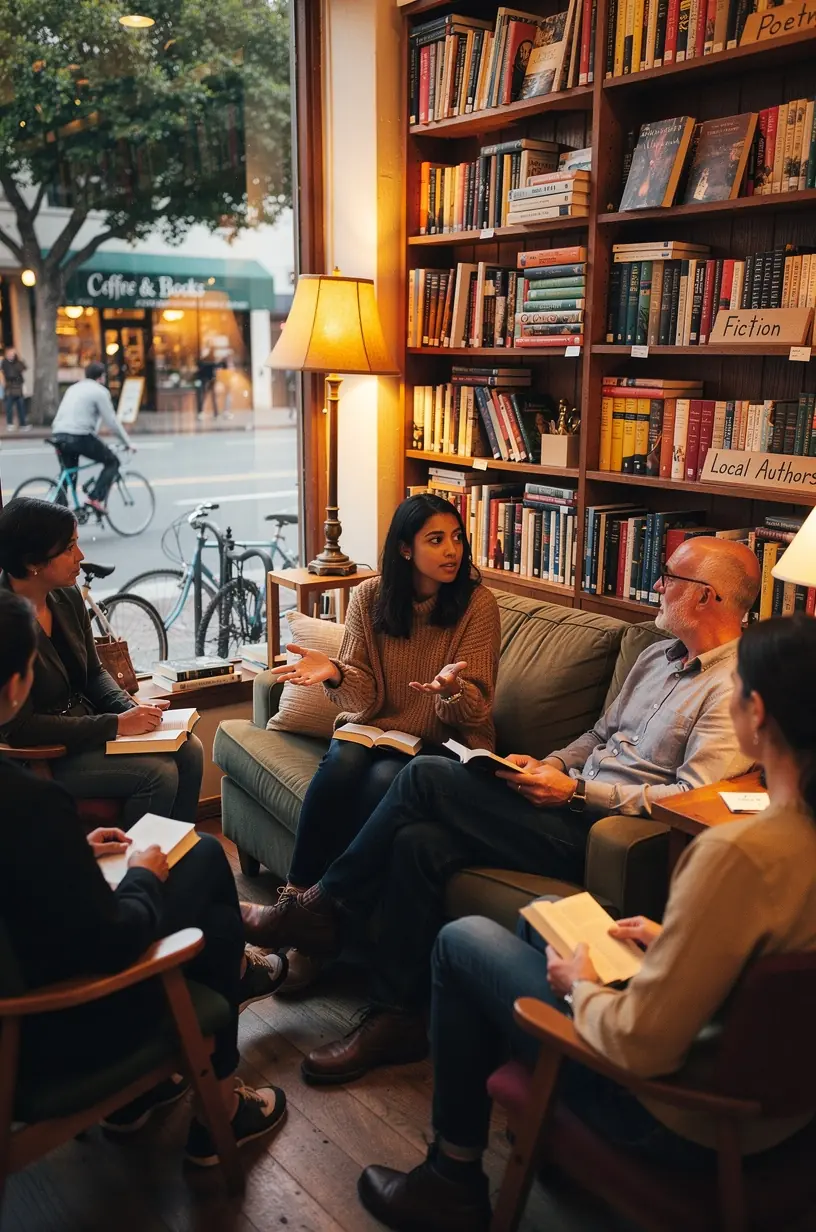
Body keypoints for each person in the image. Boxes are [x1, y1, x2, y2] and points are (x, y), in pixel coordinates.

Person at [356, 613, 816, 1232]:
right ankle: (531, 1149)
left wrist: (581, 987)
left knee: (461, 941)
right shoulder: (786, 845)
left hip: (684, 1121)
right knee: (545, 918)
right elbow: (777, 979)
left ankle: (451, 1178)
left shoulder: (734, 854)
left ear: (756, 713)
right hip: (786, 1116)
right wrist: (673, 944)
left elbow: (637, 1045)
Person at [242, 535, 761, 1083]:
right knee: (417, 841)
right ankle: (396, 1019)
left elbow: (688, 801)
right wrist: (550, 764)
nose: (658, 585)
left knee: (423, 777)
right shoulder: (657, 656)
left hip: (601, 830)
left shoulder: (734, 689)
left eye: (671, 577)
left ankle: (315, 909)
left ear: (706, 597)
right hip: (563, 800)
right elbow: (597, 734)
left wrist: (579, 794)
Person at [0, 588, 288, 1166]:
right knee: (203, 860)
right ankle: (220, 1102)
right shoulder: (32, 805)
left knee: (197, 858)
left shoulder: (27, 814)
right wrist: (140, 876)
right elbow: (113, 942)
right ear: (14, 685)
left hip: (25, 998)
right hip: (60, 1032)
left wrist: (71, 850)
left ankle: (152, 1094)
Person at [266, 493, 500, 992]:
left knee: (383, 779)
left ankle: (314, 931)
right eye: (435, 540)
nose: (451, 550)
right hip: (374, 728)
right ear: (404, 550)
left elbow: (478, 710)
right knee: (344, 765)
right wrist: (334, 673)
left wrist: (453, 692)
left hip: (440, 743)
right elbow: (364, 696)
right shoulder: (369, 597)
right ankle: (300, 902)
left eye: (457, 537)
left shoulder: (478, 604)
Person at [0, 497, 201, 827]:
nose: (80, 557)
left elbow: (93, 671)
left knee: (189, 749)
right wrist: (119, 725)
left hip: (90, 728)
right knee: (159, 775)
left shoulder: (66, 596)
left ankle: (176, 860)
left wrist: (132, 712)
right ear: (33, 561)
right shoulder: (6, 621)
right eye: (69, 548)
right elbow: (21, 728)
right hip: (45, 752)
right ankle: (134, 873)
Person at [50, 361, 133, 513]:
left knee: (69, 473)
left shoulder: (74, 388)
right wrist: (127, 442)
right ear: (101, 377)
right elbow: (112, 422)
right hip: (78, 436)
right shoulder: (100, 391)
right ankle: (95, 498)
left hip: (59, 433)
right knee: (112, 461)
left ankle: (58, 513)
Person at [1, 346, 29, 431]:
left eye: (13, 353)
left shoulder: (18, 362)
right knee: (9, 407)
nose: (11, 354)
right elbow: (2, 373)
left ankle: (23, 424)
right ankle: (10, 424)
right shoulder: (4, 363)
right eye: (10, 353)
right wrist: (3, 383)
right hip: (9, 387)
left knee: (21, 406)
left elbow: (23, 369)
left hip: (18, 387)